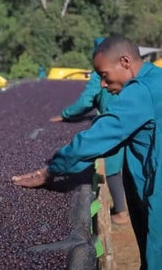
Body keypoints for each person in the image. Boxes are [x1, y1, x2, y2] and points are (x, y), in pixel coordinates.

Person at [12, 36, 162, 269]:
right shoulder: (157, 78)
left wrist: (52, 169)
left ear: (125, 62)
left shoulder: (140, 92)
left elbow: (98, 137)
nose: (102, 84)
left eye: (103, 75)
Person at [50, 38, 128, 225]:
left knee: (111, 168)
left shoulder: (99, 75)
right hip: (126, 123)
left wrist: (66, 114)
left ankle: (122, 212)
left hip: (114, 123)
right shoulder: (131, 74)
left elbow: (85, 101)